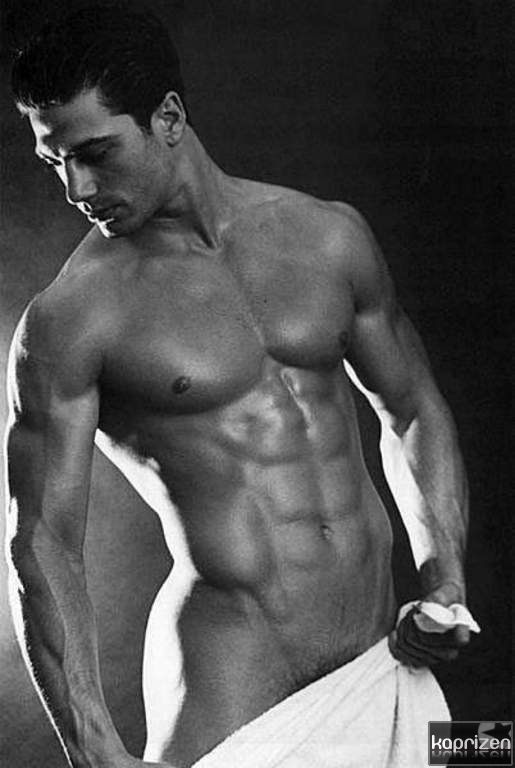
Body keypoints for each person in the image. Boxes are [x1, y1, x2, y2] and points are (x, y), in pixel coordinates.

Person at [4, 5, 477, 768]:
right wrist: (92, 747)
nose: (75, 186)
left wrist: (443, 575)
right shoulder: (71, 319)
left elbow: (412, 407)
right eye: (53, 161)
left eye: (95, 152)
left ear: (167, 117)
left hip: (385, 658)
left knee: (489, 753)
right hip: (232, 682)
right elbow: (42, 540)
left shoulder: (327, 236)